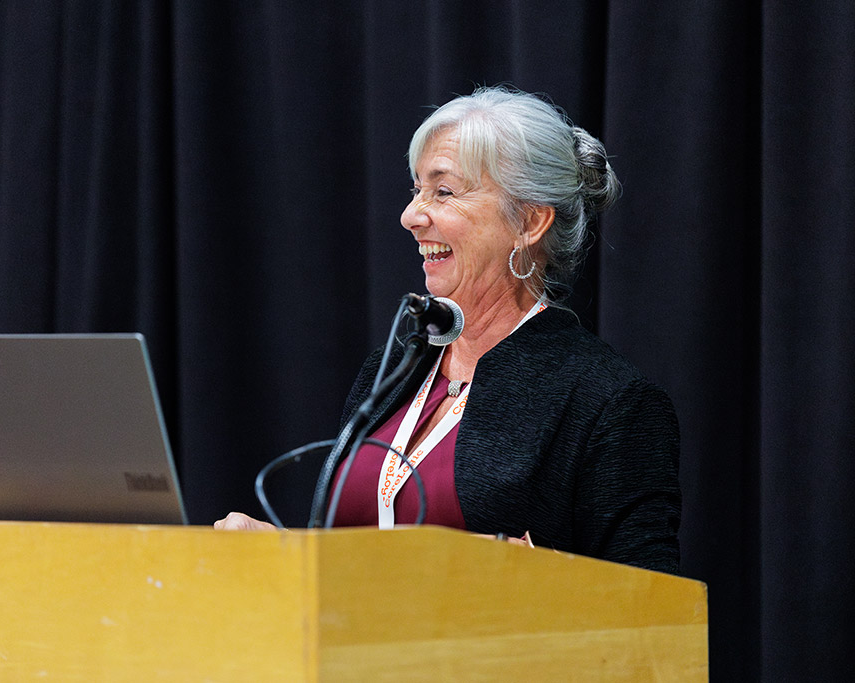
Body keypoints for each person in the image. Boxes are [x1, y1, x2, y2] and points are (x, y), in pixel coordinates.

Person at [216, 86, 681, 575]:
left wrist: (512, 568)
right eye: (416, 189)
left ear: (529, 222)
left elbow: (653, 603)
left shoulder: (609, 400)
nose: (410, 216)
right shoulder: (392, 372)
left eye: (443, 192)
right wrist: (280, 547)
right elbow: (357, 558)